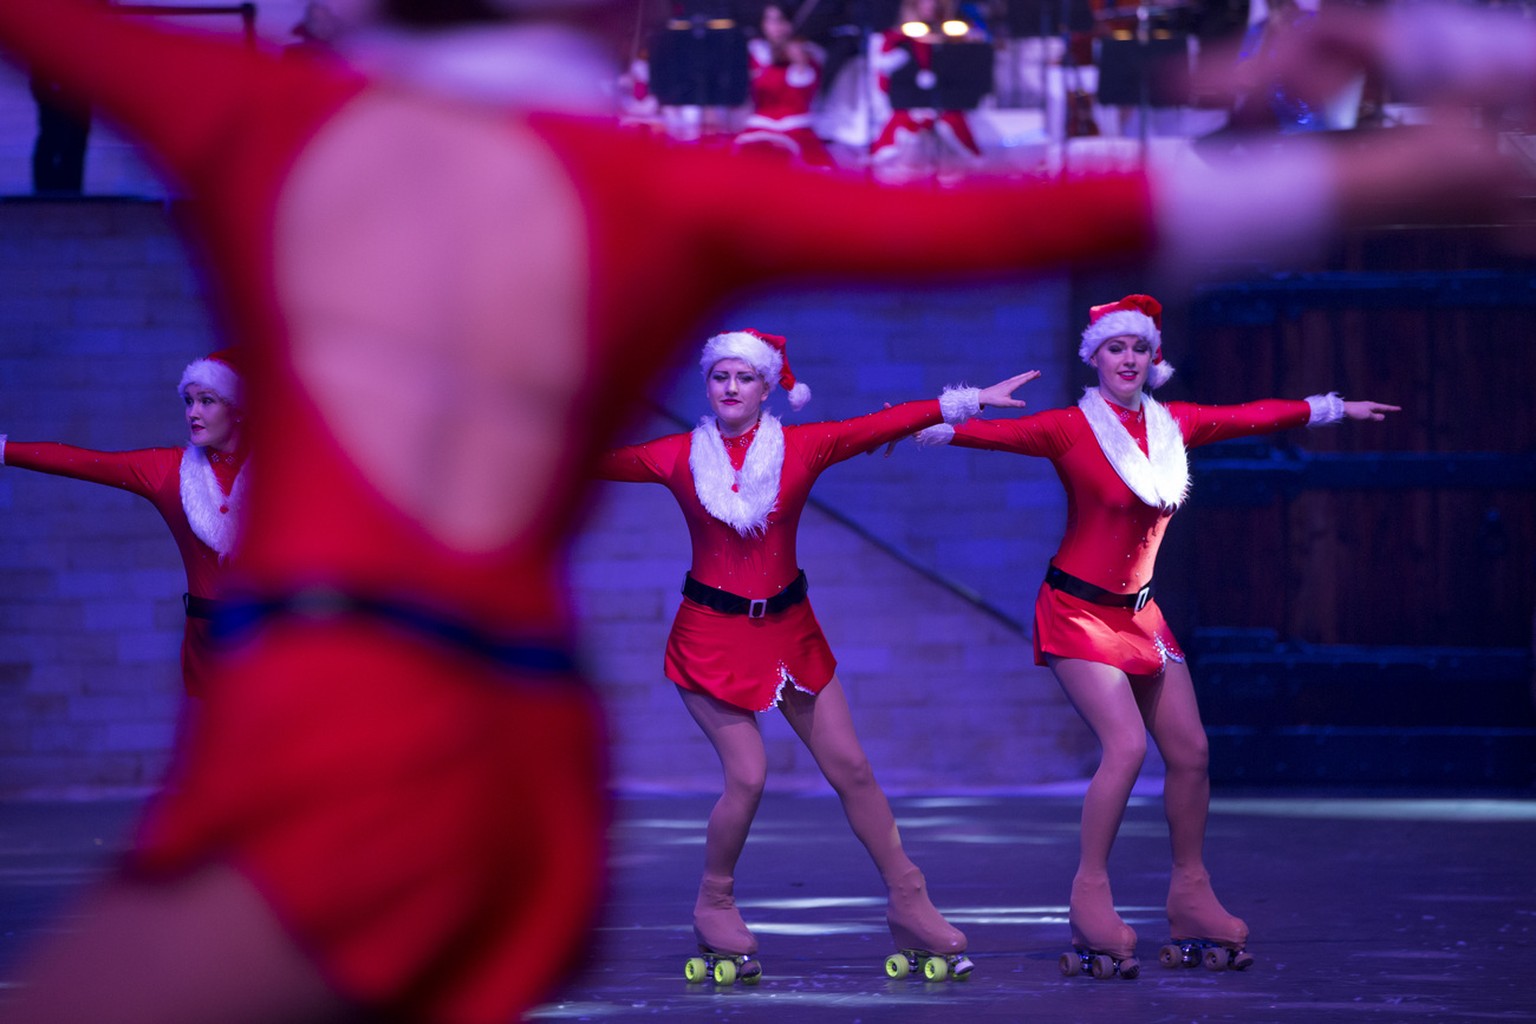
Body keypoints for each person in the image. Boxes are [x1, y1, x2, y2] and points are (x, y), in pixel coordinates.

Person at [0, 2, 1515, 1022]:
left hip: (401, 705)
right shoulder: (650, 191)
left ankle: (925, 909)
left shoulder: (253, 114)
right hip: (514, 735)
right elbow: (1015, 215)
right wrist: (1415, 146)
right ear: (616, 24)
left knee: (862, 776)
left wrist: (947, 406)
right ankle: (754, 907)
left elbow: (929, 353)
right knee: (735, 795)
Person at [916, 294, 1400, 977]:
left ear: (1153, 359)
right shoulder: (1067, 428)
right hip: (1077, 611)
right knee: (1126, 747)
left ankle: (1191, 895)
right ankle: (1089, 897)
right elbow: (971, 436)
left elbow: (1249, 416)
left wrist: (1329, 409)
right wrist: (954, 407)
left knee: (1193, 752)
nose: (1128, 359)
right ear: (1097, 356)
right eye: (1116, 348)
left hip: (1142, 615)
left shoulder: (1175, 426)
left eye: (1139, 349)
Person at [597, 330, 1038, 983]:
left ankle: (910, 901)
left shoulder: (803, 447)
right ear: (707, 385)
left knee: (854, 769)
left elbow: (877, 425)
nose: (730, 388)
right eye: (719, 376)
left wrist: (968, 400)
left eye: (744, 378)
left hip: (791, 633)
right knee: (747, 776)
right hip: (709, 639)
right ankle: (714, 900)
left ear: (767, 387)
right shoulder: (677, 457)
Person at [0, 350, 247, 700]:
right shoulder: (168, 472)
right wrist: (4, 450)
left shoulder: (278, 474)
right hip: (207, 643)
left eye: (207, 401)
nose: (192, 412)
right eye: (189, 401)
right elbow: (87, 462)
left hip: (274, 640)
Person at [870, 0, 984, 164]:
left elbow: (966, 70)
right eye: (924, 2)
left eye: (934, 3)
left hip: (945, 101)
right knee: (900, 131)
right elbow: (884, 76)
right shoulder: (898, 38)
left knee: (954, 126)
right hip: (908, 102)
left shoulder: (954, 33)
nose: (930, 6)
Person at [735, 2, 836, 168]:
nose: (775, 27)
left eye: (780, 20)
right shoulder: (754, 53)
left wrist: (801, 65)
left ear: (789, 24)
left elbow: (805, 94)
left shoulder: (807, 53)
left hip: (796, 128)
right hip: (760, 127)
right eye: (769, 21)